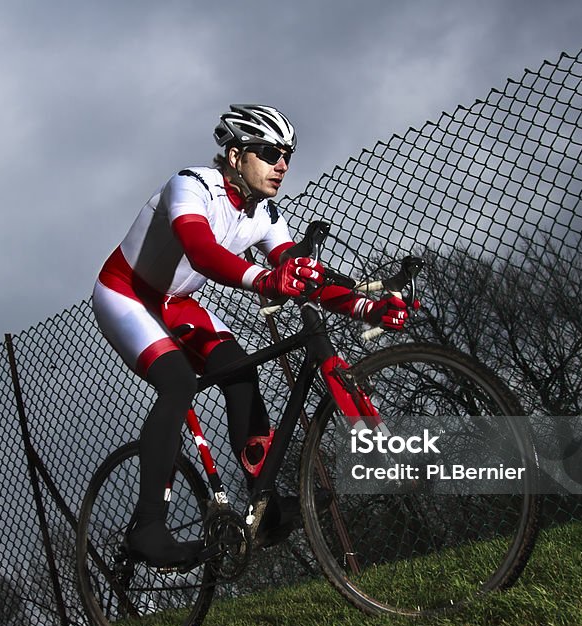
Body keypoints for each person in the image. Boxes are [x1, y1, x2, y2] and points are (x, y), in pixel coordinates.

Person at [92, 104, 409, 568]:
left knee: (240, 373)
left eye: (287, 155)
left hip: (177, 302)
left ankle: (262, 504)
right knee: (178, 382)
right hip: (126, 293)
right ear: (236, 155)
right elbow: (200, 251)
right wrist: (263, 280)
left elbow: (301, 273)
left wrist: (366, 305)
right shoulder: (191, 184)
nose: (282, 164)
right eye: (269, 153)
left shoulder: (265, 213)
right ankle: (147, 526)